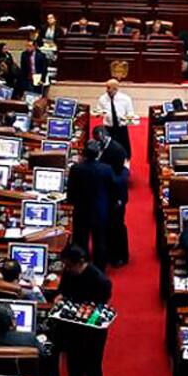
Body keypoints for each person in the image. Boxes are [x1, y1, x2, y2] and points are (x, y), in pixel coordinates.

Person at [57, 246, 112, 376]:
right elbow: (63, 292)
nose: (66, 269)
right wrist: (60, 298)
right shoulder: (68, 273)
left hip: (92, 333)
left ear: (80, 262)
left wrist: (82, 314)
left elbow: (99, 309)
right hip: (72, 328)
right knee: (73, 367)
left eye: (69, 265)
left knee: (92, 369)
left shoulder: (100, 281)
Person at [68, 140, 120, 268]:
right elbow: (114, 189)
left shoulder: (76, 169)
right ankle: (99, 269)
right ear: (98, 154)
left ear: (84, 153)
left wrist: (72, 203)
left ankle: (81, 268)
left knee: (81, 242)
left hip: (81, 211)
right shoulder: (106, 169)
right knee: (100, 242)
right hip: (100, 210)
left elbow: (71, 190)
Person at [92, 126, 130, 267]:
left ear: (104, 136)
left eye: (98, 139)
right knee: (107, 225)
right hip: (104, 194)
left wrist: (119, 199)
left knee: (117, 226)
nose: (96, 142)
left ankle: (120, 256)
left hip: (116, 195)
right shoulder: (100, 147)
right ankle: (109, 252)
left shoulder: (117, 150)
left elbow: (121, 178)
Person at [94, 79, 135, 156]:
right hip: (108, 128)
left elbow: (130, 112)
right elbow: (98, 111)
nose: (106, 90)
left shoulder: (125, 99)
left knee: (124, 149)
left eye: (109, 88)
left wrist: (126, 118)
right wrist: (98, 113)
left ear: (115, 88)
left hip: (121, 127)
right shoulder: (102, 98)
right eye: (106, 87)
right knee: (108, 150)